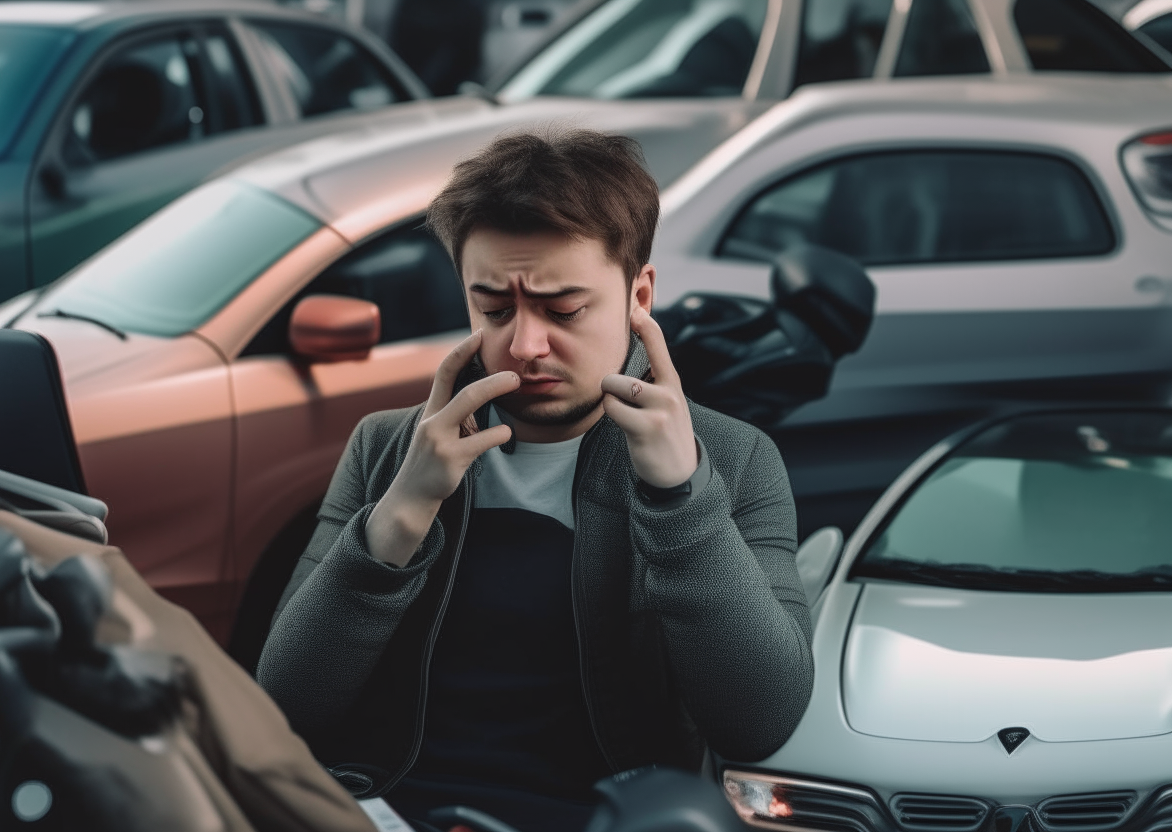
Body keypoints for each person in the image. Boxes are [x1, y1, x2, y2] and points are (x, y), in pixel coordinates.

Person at [256, 129, 815, 831]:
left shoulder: (734, 460)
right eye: (493, 309)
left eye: (564, 310)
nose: (524, 345)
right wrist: (402, 512)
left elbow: (760, 721)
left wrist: (680, 499)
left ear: (639, 293)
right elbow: (283, 705)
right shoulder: (386, 447)